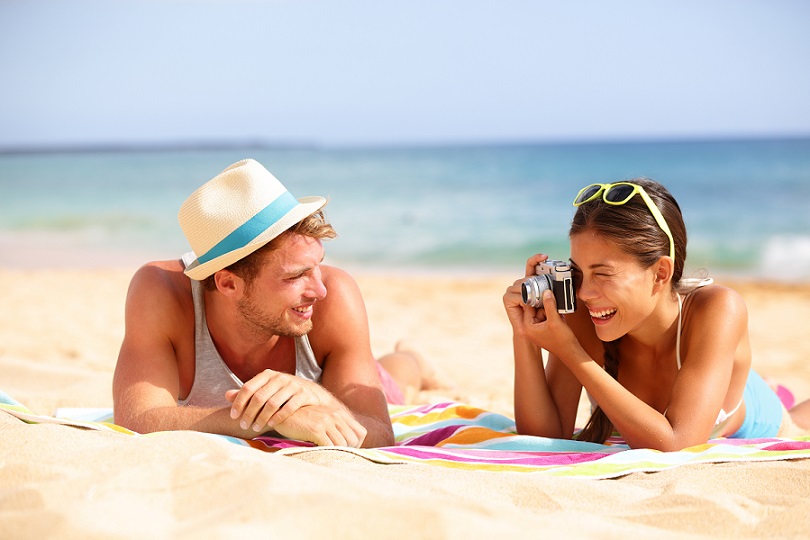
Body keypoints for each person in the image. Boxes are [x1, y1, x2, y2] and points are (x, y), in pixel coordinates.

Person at [113, 158, 438, 448]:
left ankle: (415, 359)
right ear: (228, 283)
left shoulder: (336, 296)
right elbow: (137, 419)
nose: (319, 290)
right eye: (296, 276)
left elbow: (379, 433)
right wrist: (273, 416)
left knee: (395, 379)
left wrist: (319, 397)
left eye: (318, 265)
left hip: (352, 379)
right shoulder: (162, 293)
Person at [503, 178, 810, 451]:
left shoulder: (718, 309)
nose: (584, 293)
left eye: (603, 274)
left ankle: (772, 390)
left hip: (750, 410)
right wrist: (525, 334)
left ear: (661, 273)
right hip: (705, 372)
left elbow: (677, 443)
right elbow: (544, 437)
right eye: (579, 272)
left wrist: (571, 352)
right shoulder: (588, 314)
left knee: (798, 419)